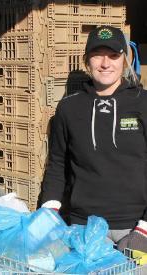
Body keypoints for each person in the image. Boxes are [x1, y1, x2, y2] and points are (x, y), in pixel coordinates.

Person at [40, 25, 147, 252]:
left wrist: (145, 229)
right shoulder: (69, 108)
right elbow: (58, 163)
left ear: (124, 60)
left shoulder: (143, 103)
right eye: (97, 55)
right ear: (86, 60)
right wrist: (48, 212)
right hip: (83, 227)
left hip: (134, 225)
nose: (105, 63)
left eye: (114, 55)